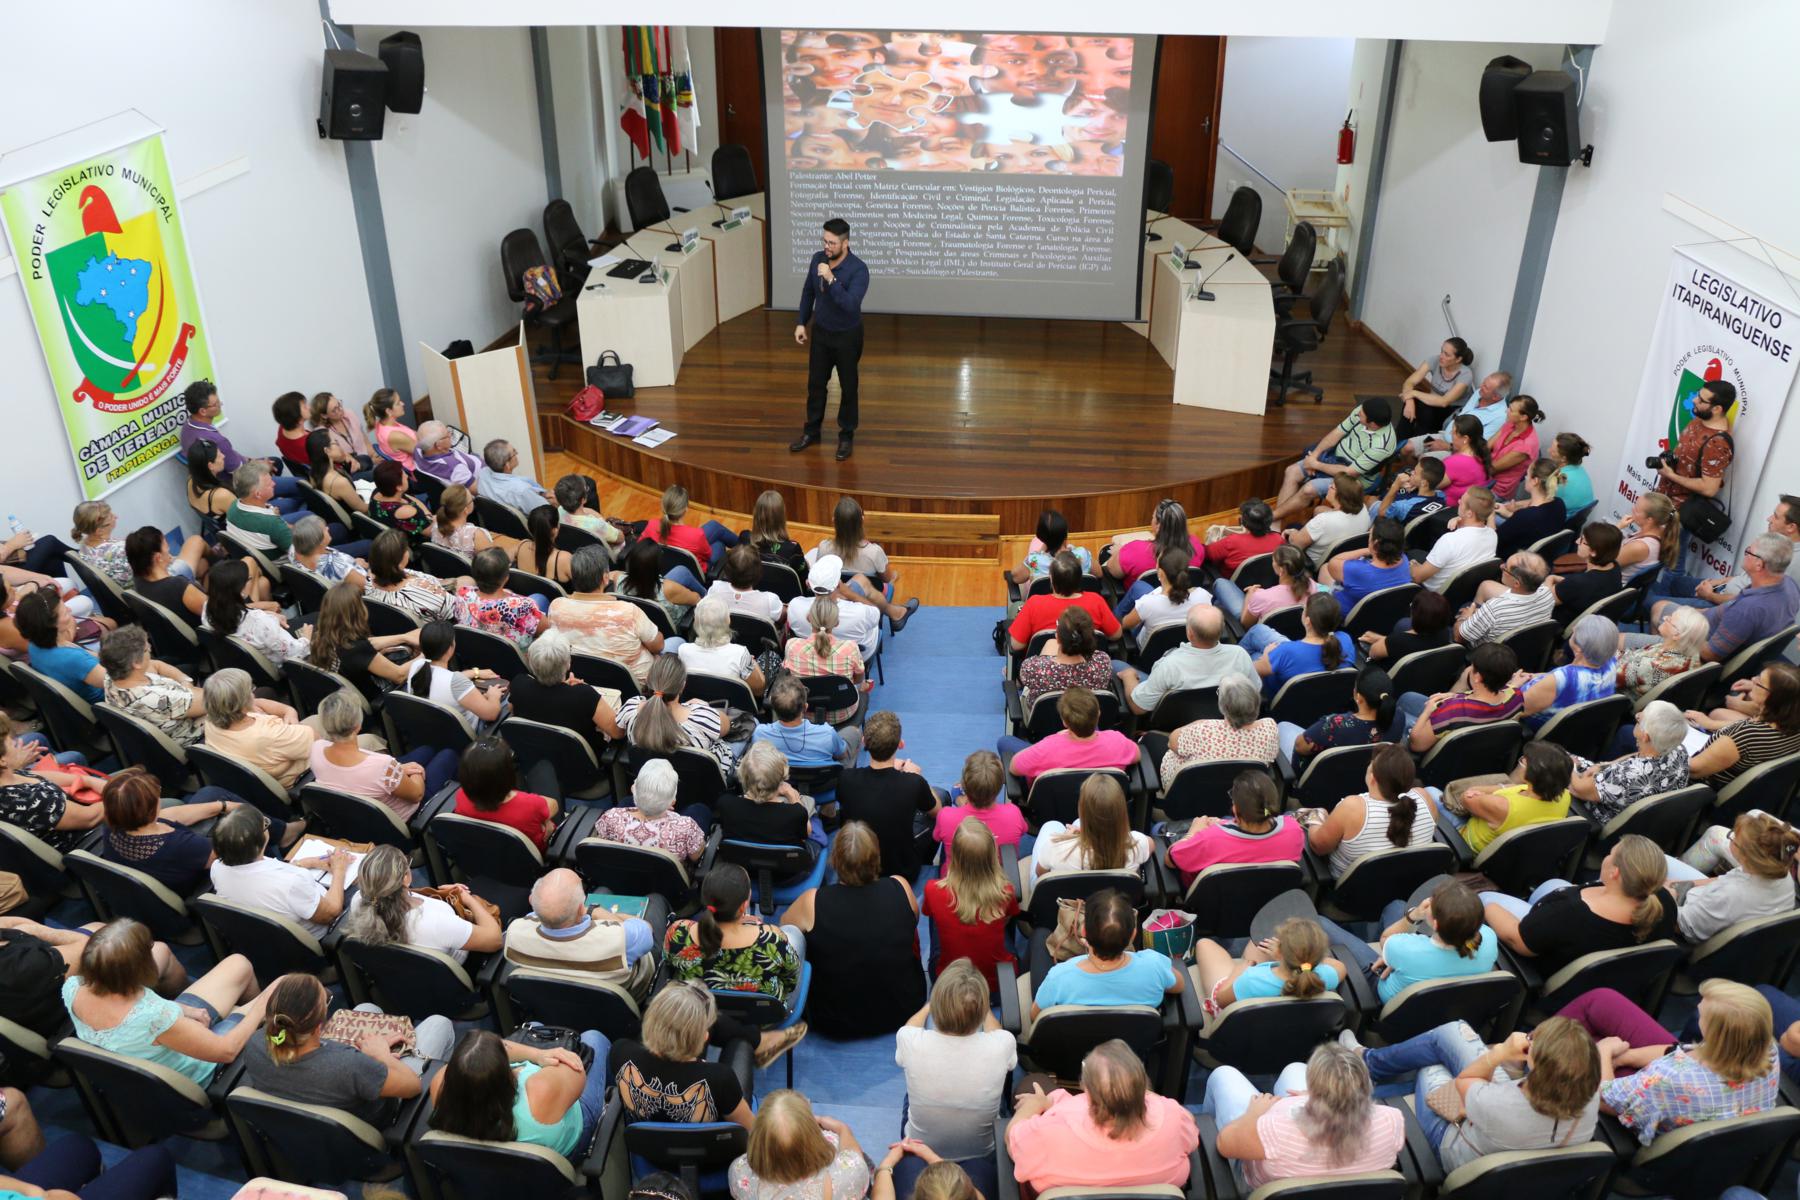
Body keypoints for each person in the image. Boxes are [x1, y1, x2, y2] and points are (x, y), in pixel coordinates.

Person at [1347, 1016, 1600, 1173]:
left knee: (1435, 1063)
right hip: (1515, 1139)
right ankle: (1370, 1068)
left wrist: (1500, 1054)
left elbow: (1464, 1080)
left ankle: (1366, 1075)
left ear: (1537, 1066)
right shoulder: (1591, 1097)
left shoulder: (1497, 1104)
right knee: (1453, 1032)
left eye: (1532, 1039)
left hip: (1454, 1148)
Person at [63, 919, 273, 1088]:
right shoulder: (154, 1017)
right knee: (279, 991)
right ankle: (259, 1036)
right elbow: (226, 1051)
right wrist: (260, 1008)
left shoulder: (73, 986)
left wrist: (183, 1009)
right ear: (138, 967)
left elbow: (141, 1008)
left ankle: (250, 1024)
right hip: (204, 1069)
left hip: (161, 1041)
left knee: (238, 963)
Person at [1574, 978, 1778, 1144]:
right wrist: (1626, 1057)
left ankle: (1544, 1054)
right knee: (1602, 1001)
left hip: (1644, 1125)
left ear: (1715, 1035)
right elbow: (1681, 1052)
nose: (1698, 1007)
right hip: (1688, 1102)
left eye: (1702, 1013)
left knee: (1586, 1050)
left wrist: (1605, 1050)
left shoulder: (1672, 1078)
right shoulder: (1767, 1048)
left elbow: (1605, 1099)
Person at [242, 972, 450, 1125]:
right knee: (439, 1024)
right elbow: (413, 1086)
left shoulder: (255, 1044)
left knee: (366, 1009)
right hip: (377, 1121)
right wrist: (382, 1056)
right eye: (327, 1001)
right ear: (318, 1026)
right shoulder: (351, 1066)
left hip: (306, 1120)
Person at [781, 822, 924, 1035]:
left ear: (835, 860)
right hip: (902, 1009)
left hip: (832, 1020)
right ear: (876, 858)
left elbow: (785, 929)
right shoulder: (899, 887)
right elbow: (913, 920)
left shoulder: (812, 901)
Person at [1204, 1042, 1404, 1189]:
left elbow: (1224, 1144)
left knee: (1223, 1075)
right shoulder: (1391, 1119)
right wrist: (1325, 1097)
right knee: (1295, 1069)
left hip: (1263, 1187)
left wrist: (1253, 1115)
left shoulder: (1275, 1129)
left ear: (1314, 1089)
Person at [1007, 1040, 1198, 1193]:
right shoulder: (1172, 1117)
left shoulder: (1050, 1131)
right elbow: (1190, 1127)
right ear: (1143, 1085)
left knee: (1034, 1082)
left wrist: (1033, 1106)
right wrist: (1137, 1091)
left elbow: (1011, 1139)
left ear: (1087, 1089)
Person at [893, 960, 1013, 1192]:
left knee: (911, 1091)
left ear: (938, 1006)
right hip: (982, 1151)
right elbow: (997, 1032)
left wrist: (929, 1005)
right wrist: (983, 1006)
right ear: (981, 1011)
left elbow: (909, 1028)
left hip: (919, 1145)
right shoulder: (1002, 1044)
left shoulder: (910, 1042)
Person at [1483, 834, 1678, 974]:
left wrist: (1488, 906)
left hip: (1544, 963)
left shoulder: (1569, 913)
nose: (1606, 858)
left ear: (1615, 873)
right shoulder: (1665, 903)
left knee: (1485, 898)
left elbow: (1518, 940)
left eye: (1610, 854)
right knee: (1554, 885)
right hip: (1609, 974)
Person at [666, 865, 809, 1054]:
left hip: (697, 1012)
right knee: (793, 934)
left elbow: (669, 965)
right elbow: (790, 982)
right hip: (763, 1016)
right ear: (743, 906)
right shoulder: (771, 939)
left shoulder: (678, 932)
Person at [1298, 878, 1497, 1003]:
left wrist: (1415, 915)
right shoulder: (1488, 937)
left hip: (1385, 992)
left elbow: (1388, 940)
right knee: (1396, 906)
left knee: (1319, 923)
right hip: (1441, 995)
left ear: (1435, 925)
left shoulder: (1405, 949)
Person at [429, 1026, 608, 1159]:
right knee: (594, 1038)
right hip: (570, 1146)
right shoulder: (541, 1090)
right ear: (505, 1075)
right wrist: (537, 1056)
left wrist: (537, 1054)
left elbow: (482, 1057)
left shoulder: (440, 1086)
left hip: (495, 1168)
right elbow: (576, 1068)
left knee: (535, 1025)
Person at [98, 766, 282, 894]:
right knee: (248, 828)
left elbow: (168, 816)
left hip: (165, 867)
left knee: (210, 794)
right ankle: (283, 849)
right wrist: (258, 827)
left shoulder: (114, 823)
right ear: (150, 810)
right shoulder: (178, 845)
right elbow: (233, 852)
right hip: (200, 879)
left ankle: (283, 832)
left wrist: (222, 806)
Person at [610, 981, 755, 1129]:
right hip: (706, 1148)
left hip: (643, 1144)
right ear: (705, 1037)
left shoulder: (620, 1052)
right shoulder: (720, 1078)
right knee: (741, 1045)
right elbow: (749, 1129)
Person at [1028, 889, 1183, 1024]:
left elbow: (1035, 1016)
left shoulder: (1060, 976)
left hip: (1073, 1047)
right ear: (1133, 935)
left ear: (1084, 933)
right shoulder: (1153, 965)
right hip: (1132, 1048)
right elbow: (1179, 986)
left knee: (1040, 935)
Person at [503, 867, 657, 1000]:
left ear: (531, 900)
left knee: (603, 890)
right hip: (625, 996)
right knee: (656, 899)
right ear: (581, 910)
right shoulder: (620, 939)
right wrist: (599, 913)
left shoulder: (514, 934)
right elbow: (647, 928)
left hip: (554, 1000)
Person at [1647, 535, 1800, 664]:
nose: (1745, 554)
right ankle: (1657, 661)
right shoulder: (1789, 584)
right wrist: (1695, 612)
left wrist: (1680, 636)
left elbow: (1710, 654)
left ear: (1759, 564)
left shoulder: (1747, 610)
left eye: (1748, 552)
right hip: (1707, 623)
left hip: (1699, 640)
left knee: (1628, 634)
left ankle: (1657, 664)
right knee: (1659, 606)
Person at [311, 688, 457, 822]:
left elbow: (374, 775)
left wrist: (397, 771)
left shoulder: (317, 749)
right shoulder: (382, 766)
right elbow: (417, 795)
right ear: (358, 726)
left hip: (360, 809)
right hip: (407, 814)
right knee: (449, 754)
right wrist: (416, 771)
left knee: (427, 750)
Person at [789, 217, 869, 460]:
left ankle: (846, 435)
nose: (827, 247)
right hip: (821, 334)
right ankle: (811, 431)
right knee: (815, 385)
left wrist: (831, 279)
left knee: (848, 387)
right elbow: (808, 291)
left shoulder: (858, 270)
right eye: (825, 241)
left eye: (832, 243)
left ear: (845, 244)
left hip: (847, 336)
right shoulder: (817, 259)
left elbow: (850, 305)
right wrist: (802, 322)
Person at [208, 804, 348, 937]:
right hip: (316, 935)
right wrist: (339, 869)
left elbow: (265, 880)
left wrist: (304, 863)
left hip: (265, 936)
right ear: (260, 841)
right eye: (265, 824)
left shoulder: (217, 868)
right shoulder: (293, 882)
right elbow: (331, 914)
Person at [346, 843, 501, 962]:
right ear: (406, 878)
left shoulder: (360, 900)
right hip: (458, 965)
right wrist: (468, 899)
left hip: (405, 972)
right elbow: (494, 940)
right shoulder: (435, 923)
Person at [1304, 743, 1437, 878]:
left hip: (1354, 890)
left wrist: (1317, 814)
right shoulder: (1424, 798)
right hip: (1408, 882)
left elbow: (1318, 846)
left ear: (1373, 778)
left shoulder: (1352, 809)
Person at [1665, 810, 1799, 942]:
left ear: (1746, 856)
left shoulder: (1730, 894)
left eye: (1734, 838)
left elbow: (1684, 927)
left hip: (1681, 917)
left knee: (1657, 862)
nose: (1731, 836)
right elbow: (1723, 879)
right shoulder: (1781, 874)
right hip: (1701, 903)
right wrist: (1680, 884)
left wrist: (1666, 897)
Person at [837, 710, 939, 882]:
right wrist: (918, 777)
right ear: (900, 744)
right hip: (901, 871)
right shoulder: (914, 783)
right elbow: (937, 812)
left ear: (864, 742)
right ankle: (924, 862)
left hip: (857, 865)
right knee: (941, 798)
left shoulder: (845, 779)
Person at [922, 819, 1018, 989]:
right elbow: (1007, 919)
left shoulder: (932, 889)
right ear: (992, 856)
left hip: (948, 983)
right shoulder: (1005, 892)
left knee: (936, 916)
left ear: (955, 857)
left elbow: (928, 912)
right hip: (997, 985)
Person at [548, 546, 664, 687]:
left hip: (581, 680)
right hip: (635, 687)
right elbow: (658, 646)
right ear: (605, 578)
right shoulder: (629, 612)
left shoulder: (556, 607)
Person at [1654, 378, 1737, 571]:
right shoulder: (1700, 420)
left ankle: (1663, 598)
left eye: (1701, 400)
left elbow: (1710, 488)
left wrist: (1670, 475)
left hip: (1681, 511)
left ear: (1717, 408)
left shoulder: (1718, 443)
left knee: (1672, 562)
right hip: (1666, 501)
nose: (1694, 401)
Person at [1659, 494, 1800, 607]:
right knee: (1672, 584)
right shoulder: (1776, 544)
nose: (1769, 519)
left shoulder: (1790, 563)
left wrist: (1710, 595)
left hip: (1722, 605)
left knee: (1655, 605)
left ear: (1791, 527)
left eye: (1775, 516)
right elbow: (1745, 578)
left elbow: (1749, 602)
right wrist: (1719, 582)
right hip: (1721, 589)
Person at [1165, 769, 1301, 885]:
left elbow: (1170, 860)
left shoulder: (1209, 839)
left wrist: (1194, 832)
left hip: (1212, 901)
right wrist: (1224, 824)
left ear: (1235, 809)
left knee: (1159, 828)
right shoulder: (1294, 830)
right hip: (1268, 901)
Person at [1191, 916, 1344, 1019]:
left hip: (1242, 1021)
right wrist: (1304, 955)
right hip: (1289, 1026)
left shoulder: (1250, 981)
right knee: (1258, 943)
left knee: (1204, 944)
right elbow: (1339, 966)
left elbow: (1220, 1000)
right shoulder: (1325, 976)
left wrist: (1238, 972)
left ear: (1279, 952)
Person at [1437, 739, 1574, 854]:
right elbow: (1517, 789)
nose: (1523, 761)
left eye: (1526, 762)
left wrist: (1484, 790)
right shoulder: (1564, 796)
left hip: (1468, 844)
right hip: (1513, 851)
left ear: (1534, 774)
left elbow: (1465, 797)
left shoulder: (1503, 806)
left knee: (1429, 791)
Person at [1273, 399, 1396, 524]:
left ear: (1373, 424)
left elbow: (1350, 472)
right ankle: (1275, 523)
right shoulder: (1362, 411)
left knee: (1308, 489)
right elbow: (1337, 433)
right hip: (1334, 457)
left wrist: (1315, 465)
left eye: (1361, 415)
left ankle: (1271, 517)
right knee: (1291, 471)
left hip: (1352, 479)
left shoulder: (1382, 445)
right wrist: (1314, 456)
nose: (1358, 413)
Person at [729, 1090, 869, 1200]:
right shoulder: (848, 1176)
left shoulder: (739, 1174)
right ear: (813, 1136)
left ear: (758, 1138)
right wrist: (842, 1129)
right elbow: (855, 1157)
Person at [1027, 774, 1152, 895]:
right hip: (1111, 904)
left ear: (1082, 809)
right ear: (1122, 811)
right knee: (1078, 823)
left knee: (1051, 825)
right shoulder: (1137, 843)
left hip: (1066, 905)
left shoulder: (1055, 848)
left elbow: (1040, 874)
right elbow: (1151, 844)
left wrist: (1065, 838)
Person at [1568, 699, 1691, 822]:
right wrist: (1605, 766)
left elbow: (1578, 789)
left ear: (1645, 736)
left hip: (1598, 813)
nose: (1636, 715)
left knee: (1554, 758)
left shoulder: (1627, 774)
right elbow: (1638, 755)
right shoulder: (1679, 750)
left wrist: (1569, 765)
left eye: (1639, 719)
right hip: (1637, 810)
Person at [619, 654, 738, 777]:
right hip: (699, 783)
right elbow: (726, 727)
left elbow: (617, 732)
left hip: (653, 782)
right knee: (753, 724)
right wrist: (704, 707)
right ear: (682, 686)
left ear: (649, 680)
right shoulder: (701, 718)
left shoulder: (631, 709)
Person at [179, 380, 301, 500]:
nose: (220, 404)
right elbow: (240, 472)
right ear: (203, 411)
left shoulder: (187, 428)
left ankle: (270, 494)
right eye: (216, 403)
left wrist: (251, 461)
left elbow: (230, 456)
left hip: (220, 479)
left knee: (275, 462)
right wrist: (262, 467)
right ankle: (266, 501)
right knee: (300, 484)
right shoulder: (216, 440)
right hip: (234, 484)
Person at [807, 497, 918, 629]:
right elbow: (886, 580)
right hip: (865, 602)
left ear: (834, 521)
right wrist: (894, 577)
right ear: (862, 521)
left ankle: (896, 613)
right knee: (890, 580)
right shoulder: (874, 552)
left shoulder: (824, 548)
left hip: (833, 599)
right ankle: (896, 613)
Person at [202, 668, 320, 789]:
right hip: (304, 773)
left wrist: (289, 711)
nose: (253, 694)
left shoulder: (211, 720)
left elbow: (257, 703)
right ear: (242, 704)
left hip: (269, 762)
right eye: (250, 691)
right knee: (320, 721)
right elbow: (317, 741)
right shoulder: (268, 735)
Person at [1685, 664, 1800, 787]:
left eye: (1759, 681)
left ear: (1771, 697)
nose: (1753, 680)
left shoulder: (1745, 736)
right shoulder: (1789, 723)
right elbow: (1746, 726)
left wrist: (1667, 749)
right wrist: (1710, 724)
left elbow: (1694, 770)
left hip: (1696, 782)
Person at [509, 632, 622, 757]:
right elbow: (617, 732)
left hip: (534, 757)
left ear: (531, 662)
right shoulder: (584, 696)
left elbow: (516, 714)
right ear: (568, 663)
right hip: (580, 764)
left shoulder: (519, 685)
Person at [1157, 673, 1278, 789]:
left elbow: (1171, 742)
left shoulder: (1202, 730)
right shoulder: (1269, 728)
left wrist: (1198, 723)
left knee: (1152, 740)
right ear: (1256, 702)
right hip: (1244, 795)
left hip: (1194, 791)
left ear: (1223, 706)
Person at [309, 581, 422, 703]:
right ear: (357, 611)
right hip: (380, 696)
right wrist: (428, 653)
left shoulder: (321, 635)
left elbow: (368, 644)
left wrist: (403, 638)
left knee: (419, 634)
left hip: (346, 694)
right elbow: (399, 676)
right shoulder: (355, 648)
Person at [1397, 643, 1523, 752]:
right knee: (1407, 698)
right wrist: (1455, 696)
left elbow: (1416, 745)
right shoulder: (1516, 696)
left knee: (1397, 716)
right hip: (1477, 745)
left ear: (1477, 677)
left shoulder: (1452, 710)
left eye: (1472, 666)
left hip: (1433, 750)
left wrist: (1428, 711)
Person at [1001, 687, 1138, 786]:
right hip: (1102, 805)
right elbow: (1137, 754)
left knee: (1005, 741)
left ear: (1064, 721)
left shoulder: (1046, 748)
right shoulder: (1117, 741)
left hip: (1054, 807)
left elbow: (1014, 767)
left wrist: (1056, 739)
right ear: (1099, 714)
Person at [98, 624, 207, 747]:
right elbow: (211, 701)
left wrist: (185, 681)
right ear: (136, 663)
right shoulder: (157, 699)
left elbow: (156, 664)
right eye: (146, 648)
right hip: (193, 737)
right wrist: (189, 689)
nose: (150, 648)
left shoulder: (113, 676)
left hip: (180, 709)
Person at [453, 736, 560, 852]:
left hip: (488, 852)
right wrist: (546, 821)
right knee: (544, 767)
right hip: (533, 857)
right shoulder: (530, 805)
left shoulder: (461, 796)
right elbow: (554, 805)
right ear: (506, 777)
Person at [592, 758, 707, 864]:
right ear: (673, 802)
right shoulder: (686, 827)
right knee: (700, 809)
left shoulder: (611, 817)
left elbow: (600, 844)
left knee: (626, 801)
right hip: (667, 882)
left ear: (633, 789)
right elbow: (695, 857)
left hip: (623, 875)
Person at [1516, 614, 1620, 731]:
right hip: (1577, 727)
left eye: (1576, 631)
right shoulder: (1611, 662)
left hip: (1542, 726)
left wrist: (1512, 685)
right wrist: (1536, 677)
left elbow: (1517, 709)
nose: (1573, 627)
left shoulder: (1561, 679)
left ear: (1579, 649)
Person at [402, 620, 506, 735]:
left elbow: (444, 679)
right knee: (506, 699)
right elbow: (491, 714)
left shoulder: (416, 666)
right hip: (468, 735)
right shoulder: (456, 682)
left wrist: (475, 672)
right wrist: (493, 696)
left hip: (435, 731)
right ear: (450, 648)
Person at [203, 558, 311, 666]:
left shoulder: (208, 609)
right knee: (318, 618)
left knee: (263, 583)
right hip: (281, 665)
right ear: (240, 590)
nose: (250, 579)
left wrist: (270, 616)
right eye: (248, 579)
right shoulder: (260, 622)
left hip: (244, 663)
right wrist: (306, 638)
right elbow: (296, 653)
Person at [1282, 666, 1397, 767]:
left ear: (1359, 698)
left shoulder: (1334, 725)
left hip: (1321, 781)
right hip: (1361, 779)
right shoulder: (1397, 718)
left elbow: (1300, 747)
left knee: (1283, 726)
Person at [1008, 552, 1120, 650]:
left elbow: (1017, 645)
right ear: (1081, 578)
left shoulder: (1034, 603)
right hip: (1087, 670)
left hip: (1043, 672)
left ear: (1051, 579)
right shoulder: (1096, 601)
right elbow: (1116, 634)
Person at [782, 596, 866, 726]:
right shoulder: (850, 648)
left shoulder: (792, 646)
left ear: (809, 618)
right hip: (844, 712)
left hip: (803, 712)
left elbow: (788, 676)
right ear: (837, 622)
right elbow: (858, 679)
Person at [1253, 592, 1355, 698]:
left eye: (1304, 609)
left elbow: (1250, 669)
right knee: (1258, 631)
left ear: (1307, 621)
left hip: (1285, 704)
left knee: (1254, 653)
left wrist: (1265, 656)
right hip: (1326, 699)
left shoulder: (1285, 652)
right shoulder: (1345, 640)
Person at [789, 554, 884, 664]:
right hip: (856, 659)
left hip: (811, 658)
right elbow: (876, 612)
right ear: (839, 584)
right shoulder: (860, 612)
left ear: (808, 584)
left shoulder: (794, 606)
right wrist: (848, 593)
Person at [753, 674, 862, 770]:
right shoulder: (827, 733)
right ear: (805, 707)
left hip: (784, 782)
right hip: (823, 784)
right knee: (853, 731)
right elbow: (841, 755)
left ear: (774, 708)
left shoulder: (760, 734)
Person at [15, 589, 106, 701]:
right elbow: (120, 681)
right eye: (65, 612)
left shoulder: (34, 644)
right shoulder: (75, 659)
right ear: (52, 625)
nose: (70, 609)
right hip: (108, 699)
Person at [1018, 605, 1114, 711]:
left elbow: (1025, 680)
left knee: (1049, 645)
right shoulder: (1103, 662)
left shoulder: (1034, 668)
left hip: (1043, 723)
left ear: (1058, 637)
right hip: (1088, 719)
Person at [931, 751, 1027, 856]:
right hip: (998, 872)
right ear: (999, 786)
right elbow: (1023, 830)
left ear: (964, 787)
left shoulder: (945, 816)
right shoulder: (1013, 814)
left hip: (954, 872)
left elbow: (937, 837)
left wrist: (960, 802)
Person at [1412, 485, 1498, 594]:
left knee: (1410, 556)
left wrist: (1412, 566)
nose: (1458, 502)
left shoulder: (1450, 540)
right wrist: (1462, 520)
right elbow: (1490, 525)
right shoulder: (1493, 535)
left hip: (1431, 591)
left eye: (1461, 501)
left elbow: (1417, 577)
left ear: (1469, 513)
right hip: (1460, 591)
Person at [1455, 551, 1553, 646]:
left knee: (1464, 609)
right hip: (1522, 645)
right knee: (1486, 586)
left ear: (1516, 583)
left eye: (1506, 568)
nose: (1501, 566)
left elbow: (1459, 637)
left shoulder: (1494, 609)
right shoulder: (1547, 593)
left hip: (1486, 653)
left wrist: (1465, 617)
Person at [614, 536, 701, 644]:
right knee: (701, 596)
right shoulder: (669, 588)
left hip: (639, 625)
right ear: (657, 567)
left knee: (681, 571)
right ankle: (710, 595)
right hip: (669, 631)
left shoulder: (618, 579)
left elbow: (610, 575)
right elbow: (697, 599)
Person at [1120, 547, 1208, 653]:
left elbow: (1124, 624)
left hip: (1152, 656)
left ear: (1160, 573)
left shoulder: (1148, 603)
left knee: (1137, 589)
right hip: (1189, 650)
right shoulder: (1203, 596)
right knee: (1139, 587)